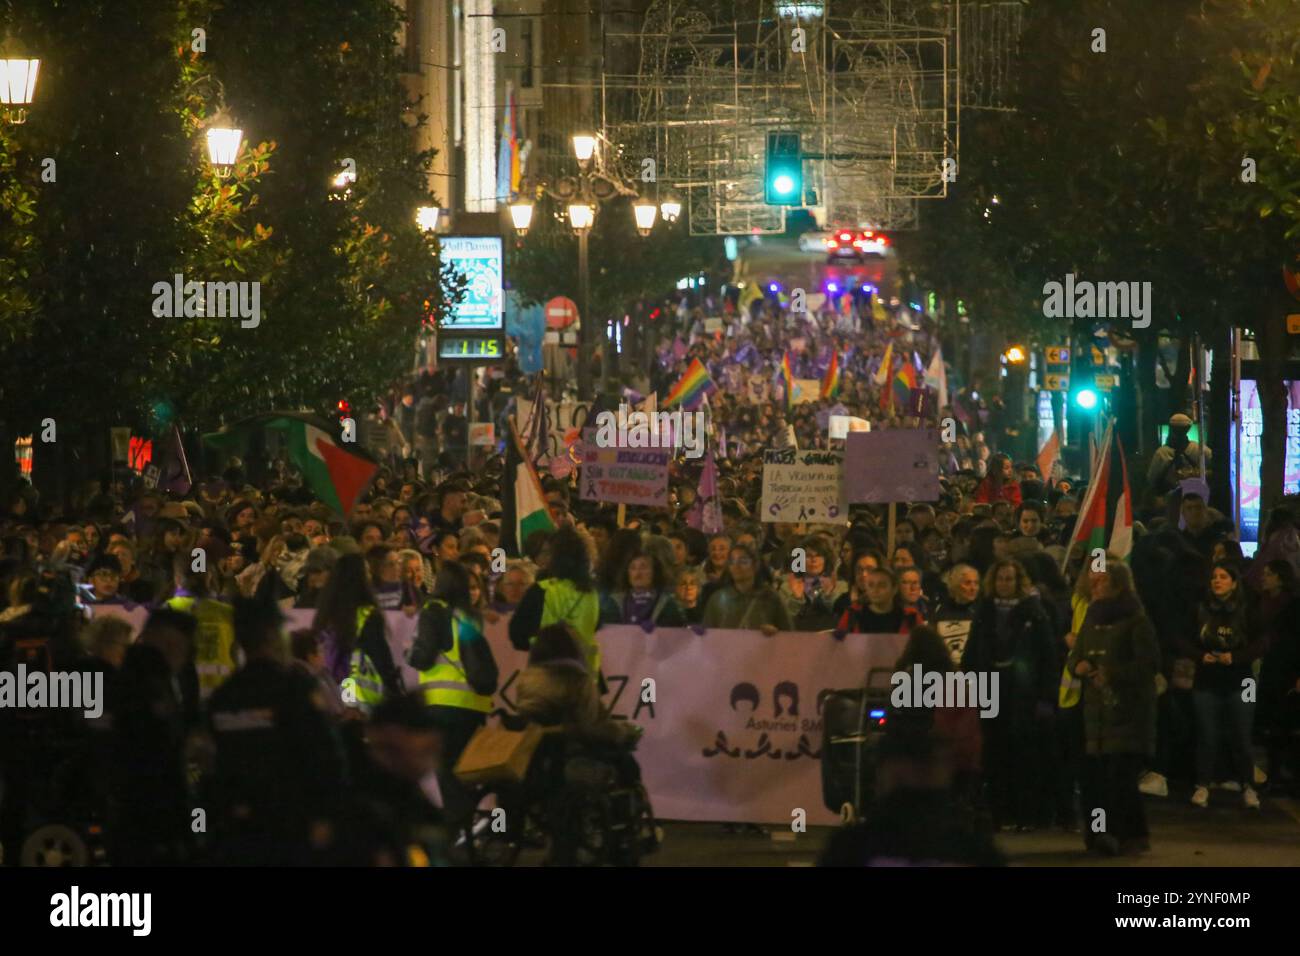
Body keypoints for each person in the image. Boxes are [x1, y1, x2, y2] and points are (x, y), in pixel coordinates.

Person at [205, 598, 348, 865]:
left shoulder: (224, 696)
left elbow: (216, 767)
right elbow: (325, 755)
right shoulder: (294, 687)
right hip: (291, 825)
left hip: (241, 830)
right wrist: (328, 816)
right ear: (272, 635)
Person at [1066, 562, 1159, 855]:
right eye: (1093, 582)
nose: (1095, 586)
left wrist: (1114, 673)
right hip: (1095, 717)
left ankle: (1130, 835)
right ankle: (1098, 835)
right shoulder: (1091, 620)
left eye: (1102, 581)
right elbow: (1076, 655)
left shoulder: (1136, 621)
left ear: (1119, 585)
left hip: (1126, 714)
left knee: (1120, 781)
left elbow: (1149, 664)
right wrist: (1078, 666)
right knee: (1094, 782)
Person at [964, 559, 1058, 830]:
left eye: (1009, 579)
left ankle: (1025, 813)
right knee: (993, 752)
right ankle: (998, 812)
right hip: (990, 687)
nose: (1004, 584)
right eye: (1000, 579)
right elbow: (972, 652)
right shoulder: (984, 612)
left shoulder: (1034, 612)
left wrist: (1045, 697)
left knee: (1023, 753)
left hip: (1022, 692)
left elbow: (1047, 657)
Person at [409, 562, 499, 831]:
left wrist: (409, 654)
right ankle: (474, 827)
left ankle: (459, 827)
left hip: (443, 705)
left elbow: (423, 658)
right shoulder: (469, 616)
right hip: (473, 705)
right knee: (464, 769)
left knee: (446, 769)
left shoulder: (433, 611)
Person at [1180, 562, 1265, 809]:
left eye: (1223, 577)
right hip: (1208, 680)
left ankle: (1248, 786)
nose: (1217, 581)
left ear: (1234, 582)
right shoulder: (1200, 610)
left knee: (1242, 735)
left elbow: (1262, 642)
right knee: (1207, 734)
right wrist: (1200, 655)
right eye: (1214, 577)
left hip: (1243, 681)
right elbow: (1181, 638)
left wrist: (1236, 658)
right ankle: (1203, 784)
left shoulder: (1248, 611)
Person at [311, 553, 403, 717]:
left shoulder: (325, 615)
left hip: (330, 690)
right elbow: (380, 657)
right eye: (366, 571)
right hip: (359, 693)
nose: (369, 576)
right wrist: (394, 691)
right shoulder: (367, 614)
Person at [509, 526, 604, 680]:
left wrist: (537, 644)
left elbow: (517, 634)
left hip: (547, 675)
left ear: (556, 556)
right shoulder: (593, 593)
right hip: (585, 679)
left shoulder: (541, 590)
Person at [701, 543, 792, 634]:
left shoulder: (771, 598)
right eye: (732, 561)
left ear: (755, 565)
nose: (736, 566)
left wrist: (775, 633)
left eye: (743, 561)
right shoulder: (718, 599)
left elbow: (789, 635)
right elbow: (707, 635)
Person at [599, 549, 687, 628]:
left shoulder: (667, 605)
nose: (637, 573)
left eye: (643, 567)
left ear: (655, 572)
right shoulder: (614, 603)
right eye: (633, 568)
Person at [835, 567, 921, 636]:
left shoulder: (911, 616)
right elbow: (838, 646)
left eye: (882, 585)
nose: (875, 590)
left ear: (894, 589)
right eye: (871, 585)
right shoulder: (852, 614)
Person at [1147, 412, 1210, 501]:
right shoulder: (1201, 450)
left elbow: (1151, 479)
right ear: (1188, 429)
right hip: (1197, 499)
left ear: (1171, 429)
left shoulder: (1161, 453)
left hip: (1170, 501)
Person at [933, 564, 980, 667]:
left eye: (976, 583)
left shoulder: (981, 612)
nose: (973, 588)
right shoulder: (939, 611)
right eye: (967, 583)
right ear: (955, 585)